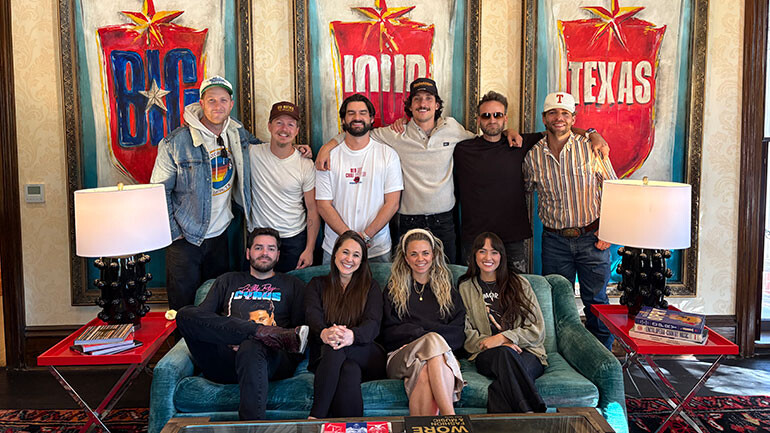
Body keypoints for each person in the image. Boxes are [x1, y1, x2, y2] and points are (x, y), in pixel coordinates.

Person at [316, 78, 475, 263]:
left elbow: (482, 139)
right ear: (410, 105)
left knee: (447, 273)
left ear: (437, 104)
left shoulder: (453, 129)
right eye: (417, 99)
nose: (423, 104)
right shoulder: (397, 133)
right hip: (408, 221)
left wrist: (508, 134)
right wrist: (327, 147)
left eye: (428, 98)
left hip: (444, 221)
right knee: (406, 280)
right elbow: (358, 130)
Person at [454, 91, 611, 272]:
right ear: (478, 119)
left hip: (512, 237)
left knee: (517, 292)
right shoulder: (462, 149)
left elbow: (558, 129)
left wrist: (592, 133)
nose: (492, 120)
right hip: (475, 236)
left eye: (497, 115)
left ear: (505, 118)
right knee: (472, 291)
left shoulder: (521, 144)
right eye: (486, 115)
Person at [175, 227, 309, 421]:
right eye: (258, 248)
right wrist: (232, 337)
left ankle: (250, 426)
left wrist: (255, 342)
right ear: (248, 253)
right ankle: (261, 332)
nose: (265, 253)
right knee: (185, 314)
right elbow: (202, 321)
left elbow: (300, 336)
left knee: (252, 346)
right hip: (223, 360)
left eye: (271, 249)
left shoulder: (293, 285)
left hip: (269, 360)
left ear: (278, 255)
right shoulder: (227, 280)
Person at [151, 76, 258, 310]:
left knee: (216, 304)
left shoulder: (237, 134)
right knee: (184, 307)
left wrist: (298, 149)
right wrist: (175, 233)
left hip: (220, 235)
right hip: (186, 239)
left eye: (223, 100)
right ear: (202, 103)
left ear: (231, 104)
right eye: (211, 100)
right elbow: (158, 192)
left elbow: (264, 150)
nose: (217, 106)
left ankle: (212, 347)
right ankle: (181, 348)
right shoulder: (176, 143)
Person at [523, 91, 618, 350]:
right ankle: (564, 356)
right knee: (557, 302)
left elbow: (613, 189)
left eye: (565, 113)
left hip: (592, 239)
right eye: (553, 112)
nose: (559, 118)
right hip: (554, 240)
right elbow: (522, 191)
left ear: (573, 117)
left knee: (596, 302)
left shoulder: (591, 147)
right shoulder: (533, 156)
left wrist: (608, 232)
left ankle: (603, 358)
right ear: (544, 118)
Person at [458, 232, 547, 413]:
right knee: (505, 354)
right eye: (482, 251)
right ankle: (534, 410)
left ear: (502, 256)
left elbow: (537, 329)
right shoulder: (466, 287)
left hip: (527, 352)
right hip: (487, 354)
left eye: (494, 252)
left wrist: (503, 338)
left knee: (504, 383)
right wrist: (495, 344)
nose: (488, 257)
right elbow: (466, 333)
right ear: (474, 255)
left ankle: (513, 418)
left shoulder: (519, 284)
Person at [381, 229, 466, 416]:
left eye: (425, 253)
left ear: (433, 255)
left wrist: (421, 335)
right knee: (433, 340)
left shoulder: (447, 291)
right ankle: (450, 418)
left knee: (427, 369)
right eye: (414, 254)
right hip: (400, 357)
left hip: (438, 359)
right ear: (406, 258)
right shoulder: (393, 291)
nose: (421, 258)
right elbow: (387, 333)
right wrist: (424, 337)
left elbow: (459, 333)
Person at [304, 231, 386, 418]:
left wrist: (352, 336)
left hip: (366, 353)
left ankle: (316, 418)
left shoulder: (370, 287)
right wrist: (324, 332)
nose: (349, 259)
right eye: (345, 252)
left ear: (362, 261)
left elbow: (373, 324)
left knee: (336, 349)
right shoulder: (316, 285)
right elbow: (312, 316)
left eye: (356, 255)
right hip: (328, 356)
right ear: (335, 255)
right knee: (348, 370)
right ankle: (353, 429)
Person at [315, 93, 404, 263]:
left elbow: (392, 203)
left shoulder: (388, 155)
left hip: (377, 248)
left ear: (371, 119)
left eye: (363, 113)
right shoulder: (327, 157)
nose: (357, 118)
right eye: (351, 113)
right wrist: (350, 240)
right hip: (336, 247)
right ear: (343, 120)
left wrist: (366, 236)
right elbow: (323, 204)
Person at [249, 101, 319, 272]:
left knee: (293, 292)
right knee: (259, 291)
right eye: (279, 122)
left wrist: (309, 249)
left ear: (296, 131)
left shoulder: (305, 164)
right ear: (269, 126)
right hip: (260, 239)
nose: (284, 129)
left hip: (293, 239)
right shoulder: (252, 153)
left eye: (290, 124)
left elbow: (312, 209)